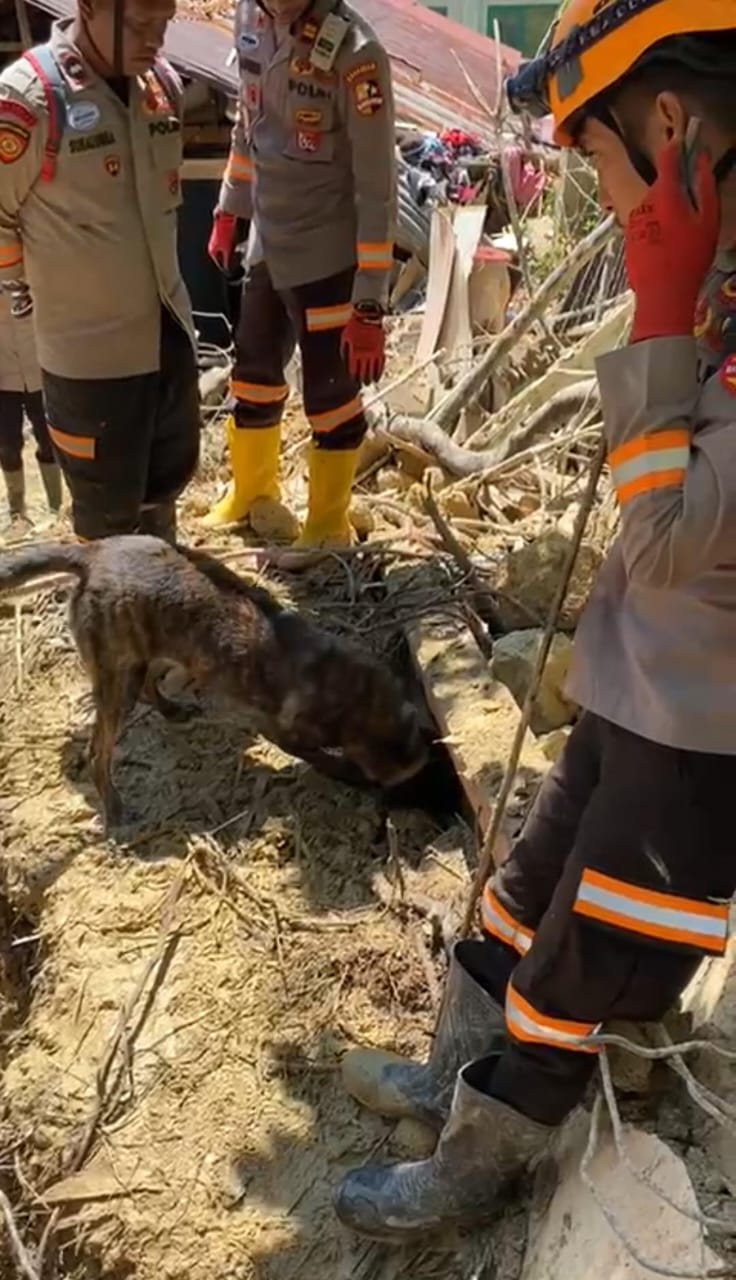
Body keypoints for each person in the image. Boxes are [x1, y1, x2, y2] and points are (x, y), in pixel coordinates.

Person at [333, 0, 736, 1241]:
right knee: (522, 889)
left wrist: (660, 314)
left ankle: (479, 1161)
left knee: (580, 959)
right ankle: (454, 1076)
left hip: (702, 729)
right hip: (639, 677)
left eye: (595, 158)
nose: (597, 194)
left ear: (665, 124)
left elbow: (672, 542)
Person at [0, 0, 200, 542]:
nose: (155, 39)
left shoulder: (162, 86)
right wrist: (30, 287)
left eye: (163, 23)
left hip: (168, 335)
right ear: (90, 7)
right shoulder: (30, 98)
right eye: (140, 24)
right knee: (107, 525)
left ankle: (162, 614)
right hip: (90, 358)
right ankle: (109, 624)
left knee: (163, 497)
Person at [204, 0, 395, 547]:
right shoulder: (251, 18)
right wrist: (227, 209)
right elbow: (249, 122)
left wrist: (369, 304)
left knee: (330, 395)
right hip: (268, 238)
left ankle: (328, 521)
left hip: (326, 252)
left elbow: (378, 189)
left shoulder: (357, 55)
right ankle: (252, 492)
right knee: (253, 371)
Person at [0, 281, 61, 521]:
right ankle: (17, 511)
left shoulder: (32, 270)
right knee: (7, 445)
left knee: (48, 440)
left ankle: (56, 510)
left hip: (40, 371)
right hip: (4, 377)